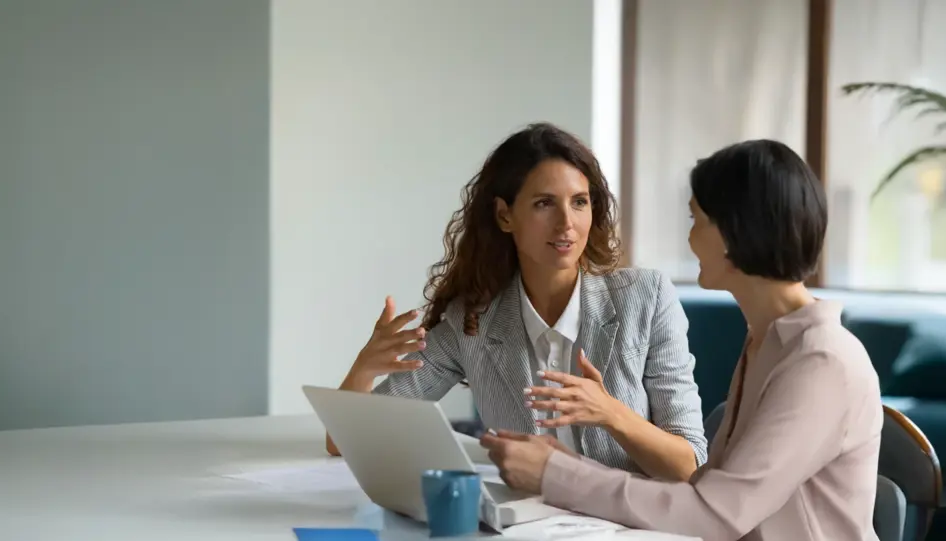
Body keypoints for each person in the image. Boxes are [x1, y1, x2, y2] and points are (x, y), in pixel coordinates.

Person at [480, 140, 883, 541]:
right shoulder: (767, 342)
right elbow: (705, 490)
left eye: (696, 220)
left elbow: (716, 514)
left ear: (733, 233)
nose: (690, 240)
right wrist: (565, 465)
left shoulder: (821, 362)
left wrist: (557, 475)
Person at [326, 122, 707, 482]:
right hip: (526, 519)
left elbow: (690, 466)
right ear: (504, 215)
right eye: (544, 203)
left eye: (579, 202)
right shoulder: (472, 322)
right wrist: (364, 369)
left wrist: (612, 415)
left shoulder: (646, 297)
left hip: (628, 520)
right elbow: (345, 442)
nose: (566, 223)